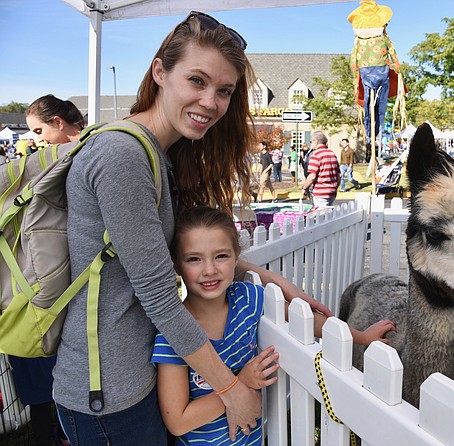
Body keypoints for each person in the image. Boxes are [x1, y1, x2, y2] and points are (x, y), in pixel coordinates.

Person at [52, 12, 332, 446]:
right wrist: (232, 389)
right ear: (160, 72)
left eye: (224, 91)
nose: (210, 102)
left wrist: (288, 291)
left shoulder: (156, 154)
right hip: (108, 391)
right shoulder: (121, 156)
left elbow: (205, 258)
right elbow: (161, 295)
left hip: (133, 377)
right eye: (197, 81)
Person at [152, 207, 395, 444]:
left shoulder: (247, 298)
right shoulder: (174, 334)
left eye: (221, 256)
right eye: (194, 259)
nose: (209, 270)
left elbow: (306, 321)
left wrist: (361, 337)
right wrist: (242, 383)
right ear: (176, 264)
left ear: (237, 257)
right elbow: (178, 422)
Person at [6, 94, 86, 446]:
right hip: (50, 284)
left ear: (58, 122)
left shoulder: (81, 153)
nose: (36, 140)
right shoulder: (53, 161)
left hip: (53, 287)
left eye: (39, 130)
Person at [301, 130, 340, 207]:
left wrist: (304, 187)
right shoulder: (332, 154)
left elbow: (312, 176)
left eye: (311, 141)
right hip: (332, 192)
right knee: (330, 216)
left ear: (315, 141)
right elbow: (339, 175)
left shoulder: (316, 155)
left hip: (320, 192)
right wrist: (335, 187)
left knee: (320, 216)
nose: (311, 144)